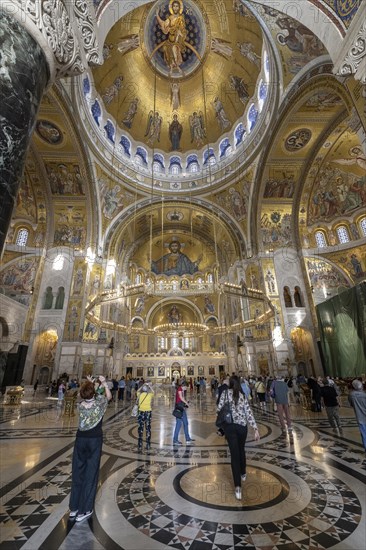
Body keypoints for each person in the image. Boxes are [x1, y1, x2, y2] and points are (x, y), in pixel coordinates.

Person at [69, 376, 112, 522]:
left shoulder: (80, 405)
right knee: (90, 474)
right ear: (94, 393)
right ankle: (84, 510)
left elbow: (87, 394)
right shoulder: (99, 405)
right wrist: (104, 383)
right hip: (94, 441)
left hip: (80, 440)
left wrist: (90, 383)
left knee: (77, 472)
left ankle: (74, 508)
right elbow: (108, 396)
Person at [217, 375, 260, 500]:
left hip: (230, 427)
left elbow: (219, 409)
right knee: (241, 449)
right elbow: (249, 412)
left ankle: (237, 488)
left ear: (230, 383)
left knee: (234, 455)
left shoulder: (225, 394)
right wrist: (255, 428)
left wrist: (221, 424)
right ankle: (243, 472)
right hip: (242, 427)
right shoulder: (242, 395)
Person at [156, 0, 187, 74]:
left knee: (174, 49)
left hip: (177, 41)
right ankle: (171, 67)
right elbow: (163, 24)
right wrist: (157, 15)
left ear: (179, 8)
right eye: (174, 6)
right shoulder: (170, 18)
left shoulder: (180, 18)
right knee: (166, 48)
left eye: (177, 6)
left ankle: (177, 67)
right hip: (170, 40)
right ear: (172, 7)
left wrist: (180, 33)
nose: (175, 8)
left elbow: (183, 30)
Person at [173, 379, 195, 445]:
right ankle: (175, 440)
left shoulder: (181, 390)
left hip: (182, 408)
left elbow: (181, 399)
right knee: (178, 424)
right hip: (179, 409)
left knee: (186, 423)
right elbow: (180, 398)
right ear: (183, 386)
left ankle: (188, 439)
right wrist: (186, 403)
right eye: (186, 387)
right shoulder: (179, 389)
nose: (186, 388)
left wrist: (185, 403)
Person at [348, 379, 366, 450]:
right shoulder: (364, 395)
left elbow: (351, 404)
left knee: (364, 435)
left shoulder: (351, 395)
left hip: (360, 417)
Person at [136, 382, 154, 451]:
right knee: (148, 428)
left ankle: (140, 445)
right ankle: (148, 445)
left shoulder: (139, 394)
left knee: (140, 429)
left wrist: (143, 385)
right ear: (147, 390)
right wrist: (149, 386)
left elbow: (138, 390)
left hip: (141, 412)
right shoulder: (149, 395)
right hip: (148, 412)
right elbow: (153, 391)